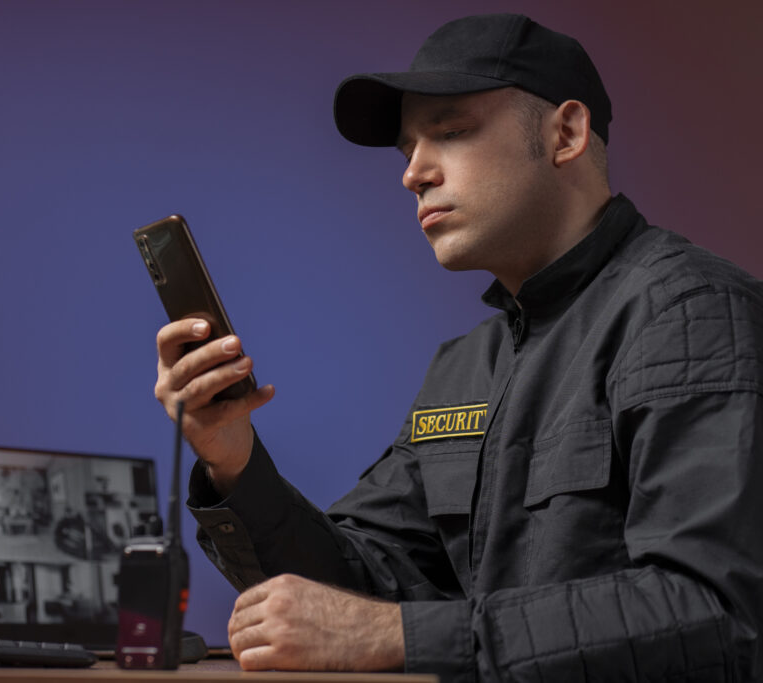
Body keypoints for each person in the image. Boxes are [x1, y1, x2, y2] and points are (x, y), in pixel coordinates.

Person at [152, 13, 763, 681]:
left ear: (565, 133)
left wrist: (400, 634)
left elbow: (715, 613)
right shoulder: (468, 365)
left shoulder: (691, 313)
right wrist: (234, 460)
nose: (413, 173)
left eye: (449, 132)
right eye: (408, 148)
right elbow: (349, 593)